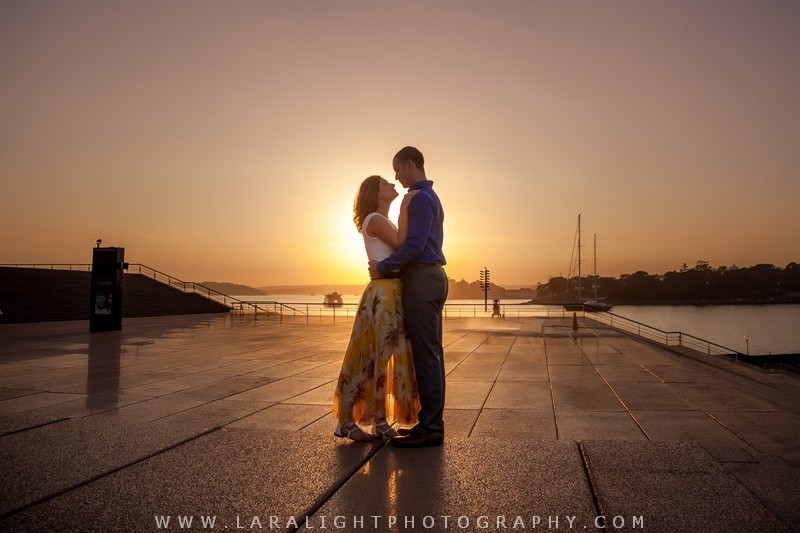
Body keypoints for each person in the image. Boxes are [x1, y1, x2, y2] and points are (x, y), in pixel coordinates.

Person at [369, 146, 448, 448]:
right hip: (428, 277)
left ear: (410, 165)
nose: (396, 176)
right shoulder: (423, 197)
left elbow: (414, 247)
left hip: (423, 278)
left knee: (427, 355)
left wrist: (382, 267)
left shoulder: (421, 198)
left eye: (398, 169)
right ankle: (429, 423)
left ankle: (431, 427)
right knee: (432, 353)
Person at [332, 175, 421, 441]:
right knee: (371, 357)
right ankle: (346, 421)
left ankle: (379, 421)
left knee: (382, 358)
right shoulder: (375, 219)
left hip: (390, 290)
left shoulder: (384, 221)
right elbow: (402, 244)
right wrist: (405, 208)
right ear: (376, 193)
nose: (392, 184)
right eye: (385, 183)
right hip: (383, 292)